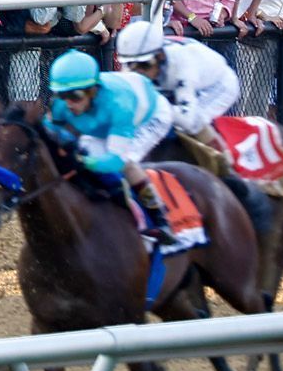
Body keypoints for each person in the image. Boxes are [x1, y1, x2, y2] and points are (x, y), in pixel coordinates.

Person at [115, 14, 268, 230]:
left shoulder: (181, 65)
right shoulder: (138, 64)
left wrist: (156, 108)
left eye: (143, 65)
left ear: (159, 57)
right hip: (173, 88)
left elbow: (187, 118)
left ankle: (230, 175)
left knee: (192, 124)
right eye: (130, 66)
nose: (137, 73)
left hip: (217, 86)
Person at [39, 47, 183, 246]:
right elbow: (48, 133)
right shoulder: (62, 103)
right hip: (104, 124)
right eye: (62, 96)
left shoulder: (119, 103)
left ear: (93, 90)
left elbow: (116, 160)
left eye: (76, 96)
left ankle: (160, 218)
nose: (69, 103)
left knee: (127, 163)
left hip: (149, 117)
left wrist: (81, 160)